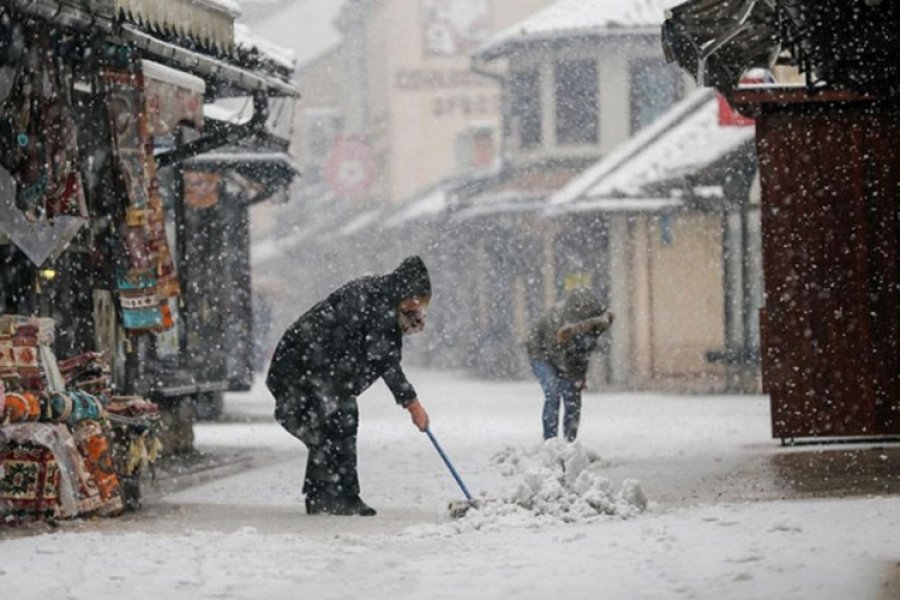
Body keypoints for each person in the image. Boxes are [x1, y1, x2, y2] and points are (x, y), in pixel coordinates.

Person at [266, 256, 432, 516]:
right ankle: (342, 497)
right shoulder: (377, 306)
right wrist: (414, 406)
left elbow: (379, 356)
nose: (417, 308)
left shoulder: (379, 299)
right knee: (340, 417)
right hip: (298, 371)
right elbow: (386, 362)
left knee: (327, 427)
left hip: (306, 371)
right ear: (406, 291)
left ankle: (324, 497)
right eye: (416, 301)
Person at [525, 287, 614, 442]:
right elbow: (559, 355)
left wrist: (579, 378)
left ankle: (569, 442)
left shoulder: (592, 327)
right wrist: (575, 377)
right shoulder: (556, 320)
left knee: (572, 396)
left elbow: (583, 354)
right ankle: (550, 442)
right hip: (541, 354)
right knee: (553, 393)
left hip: (565, 357)